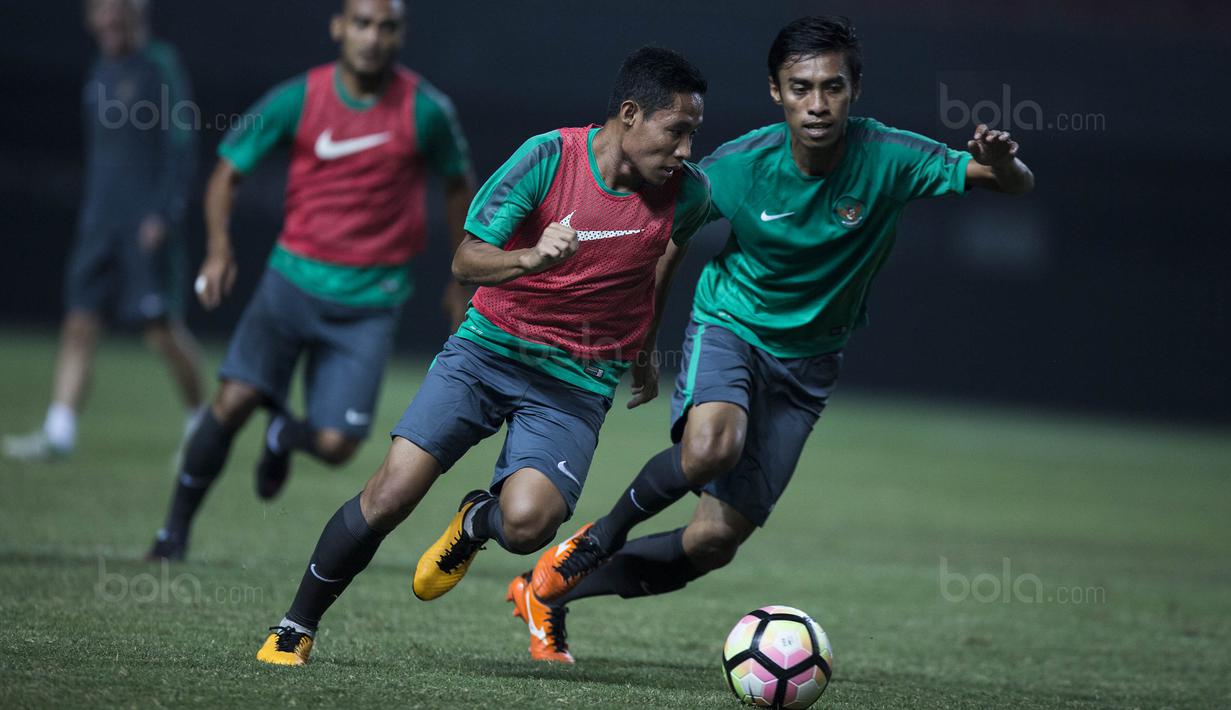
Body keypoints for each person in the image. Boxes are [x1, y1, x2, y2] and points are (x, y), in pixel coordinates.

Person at [517, 15, 1036, 662]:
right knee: (711, 446)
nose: (816, 104)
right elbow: (667, 243)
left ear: (854, 89)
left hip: (809, 367)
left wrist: (1003, 164)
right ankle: (596, 538)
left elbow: (1011, 184)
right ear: (775, 91)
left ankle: (547, 592)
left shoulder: (890, 156)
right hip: (731, 326)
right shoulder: (737, 167)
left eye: (831, 87)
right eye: (799, 88)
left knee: (712, 543)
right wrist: (645, 342)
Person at [253, 46, 712, 666]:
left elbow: (667, 254)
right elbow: (465, 258)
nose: (686, 149)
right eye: (676, 131)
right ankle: (295, 626)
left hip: (575, 381)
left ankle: (474, 523)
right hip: (487, 351)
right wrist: (529, 258)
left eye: (693, 135)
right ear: (629, 114)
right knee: (391, 494)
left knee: (527, 525)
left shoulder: (687, 193)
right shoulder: (548, 159)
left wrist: (643, 343)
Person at [145, 0, 474, 560]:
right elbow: (227, 173)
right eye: (362, 24)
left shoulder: (427, 110)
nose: (373, 37)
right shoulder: (300, 97)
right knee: (233, 401)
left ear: (401, 35)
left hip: (371, 299)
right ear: (339, 28)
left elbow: (456, 185)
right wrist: (219, 249)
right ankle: (171, 533)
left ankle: (284, 437)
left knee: (338, 444)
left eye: (386, 26)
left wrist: (461, 275)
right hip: (290, 283)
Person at [3, 0, 203, 461]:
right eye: (101, 12)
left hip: (145, 227)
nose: (109, 21)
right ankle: (59, 432)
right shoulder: (99, 71)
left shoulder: (159, 65)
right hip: (99, 225)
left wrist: (163, 212)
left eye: (118, 12)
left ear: (137, 13)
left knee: (159, 331)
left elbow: (181, 142)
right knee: (79, 323)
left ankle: (200, 423)